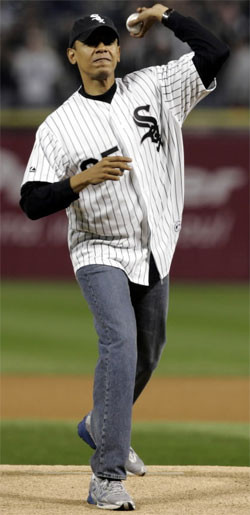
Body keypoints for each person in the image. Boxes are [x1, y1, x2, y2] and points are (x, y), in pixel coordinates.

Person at [20, 4, 229, 511]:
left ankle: (99, 424)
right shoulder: (59, 126)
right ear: (73, 55)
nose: (102, 49)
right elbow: (30, 201)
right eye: (91, 42)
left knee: (149, 351)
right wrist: (78, 181)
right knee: (120, 341)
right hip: (98, 246)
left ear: (119, 48)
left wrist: (166, 15)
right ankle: (106, 478)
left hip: (154, 245)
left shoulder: (155, 87)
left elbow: (215, 51)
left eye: (108, 40)